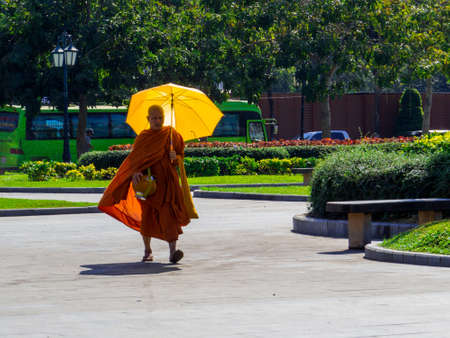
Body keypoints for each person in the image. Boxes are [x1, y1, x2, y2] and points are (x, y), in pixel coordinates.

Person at [98, 104, 196, 263]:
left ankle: (173, 252)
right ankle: (147, 251)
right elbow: (135, 159)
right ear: (148, 119)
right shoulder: (143, 137)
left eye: (160, 118)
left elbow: (180, 156)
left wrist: (175, 157)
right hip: (150, 185)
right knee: (148, 218)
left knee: (169, 216)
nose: (158, 121)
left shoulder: (172, 134)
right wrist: (136, 172)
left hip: (168, 184)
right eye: (154, 118)